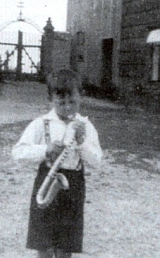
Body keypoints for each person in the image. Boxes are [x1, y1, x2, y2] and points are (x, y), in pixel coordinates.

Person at [12, 69, 103, 258]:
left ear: (81, 98)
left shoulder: (85, 126)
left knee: (65, 247)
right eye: (61, 103)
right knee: (43, 245)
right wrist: (45, 150)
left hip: (73, 186)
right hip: (47, 182)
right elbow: (18, 153)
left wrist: (82, 142)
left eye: (73, 102)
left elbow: (96, 161)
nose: (68, 108)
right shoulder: (41, 123)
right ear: (50, 100)